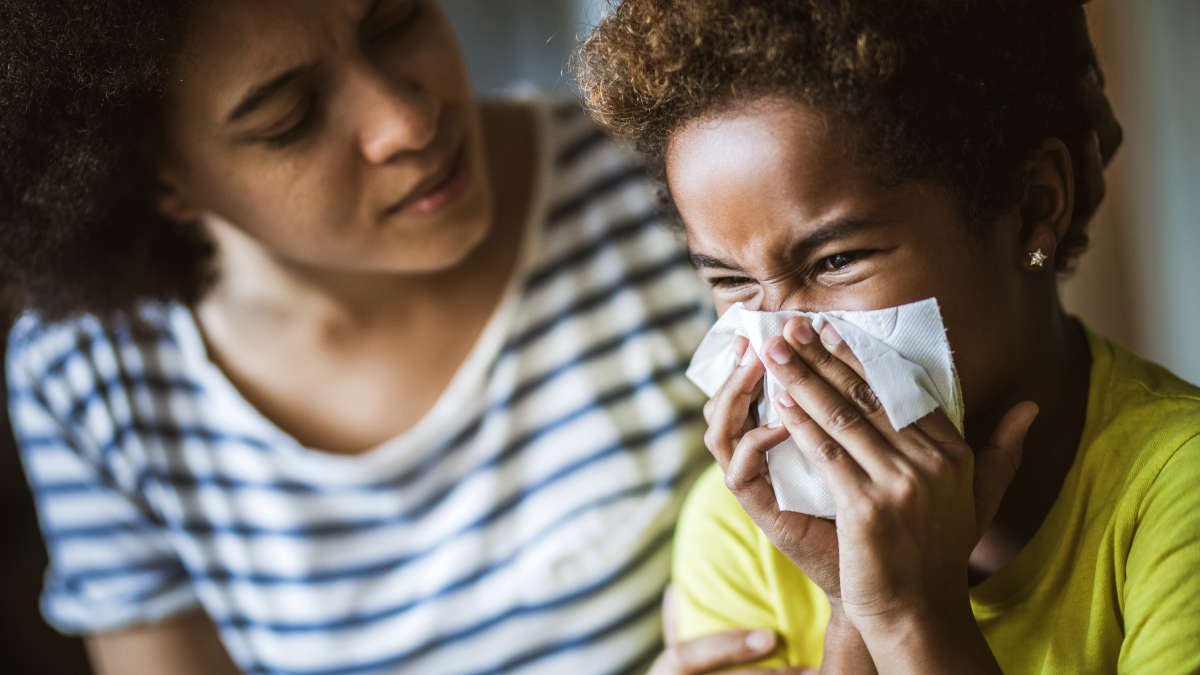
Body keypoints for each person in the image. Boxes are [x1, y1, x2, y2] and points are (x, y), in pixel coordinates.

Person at [0, 1, 730, 672]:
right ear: (164, 180)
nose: (406, 121)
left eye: (395, 21)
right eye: (290, 117)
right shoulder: (89, 373)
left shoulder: (674, 184)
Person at [576, 0, 1200, 672]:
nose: (780, 341)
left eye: (836, 261)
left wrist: (909, 615)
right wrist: (853, 603)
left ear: (1033, 208)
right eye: (732, 282)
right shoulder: (740, 528)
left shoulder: (1173, 493)